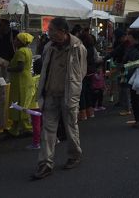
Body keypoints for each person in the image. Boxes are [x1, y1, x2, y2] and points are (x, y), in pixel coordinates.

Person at [32, 17, 87, 180]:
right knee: (47, 130)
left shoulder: (77, 48)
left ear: (63, 32)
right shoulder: (49, 47)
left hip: (69, 94)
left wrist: (74, 88)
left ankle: (74, 155)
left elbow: (82, 71)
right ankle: (45, 163)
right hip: (50, 93)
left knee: (70, 127)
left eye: (52, 30)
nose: (49, 33)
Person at [7, 31, 35, 137]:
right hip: (25, 80)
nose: (14, 41)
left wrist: (8, 68)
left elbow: (20, 67)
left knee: (20, 105)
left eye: (16, 39)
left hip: (21, 82)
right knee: (20, 104)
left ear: (21, 42)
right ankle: (14, 129)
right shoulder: (28, 50)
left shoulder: (20, 52)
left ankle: (27, 128)